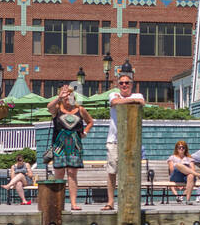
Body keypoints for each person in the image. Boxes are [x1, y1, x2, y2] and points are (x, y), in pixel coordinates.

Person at [103, 72, 146, 211]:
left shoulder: (137, 95)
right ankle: (110, 202)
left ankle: (127, 200)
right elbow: (114, 102)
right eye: (121, 83)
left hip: (131, 141)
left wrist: (125, 100)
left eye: (127, 83)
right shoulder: (113, 95)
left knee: (129, 172)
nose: (124, 85)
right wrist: (129, 101)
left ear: (132, 85)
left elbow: (142, 102)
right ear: (118, 85)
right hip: (114, 140)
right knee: (112, 171)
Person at [48, 84, 93, 211]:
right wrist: (59, 97)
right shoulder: (57, 108)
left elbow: (90, 121)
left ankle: (73, 203)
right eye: (66, 95)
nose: (68, 97)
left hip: (75, 144)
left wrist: (85, 132)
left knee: (72, 173)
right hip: (59, 145)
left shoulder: (80, 109)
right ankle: (58, 202)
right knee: (59, 173)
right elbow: (49, 107)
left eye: (70, 94)